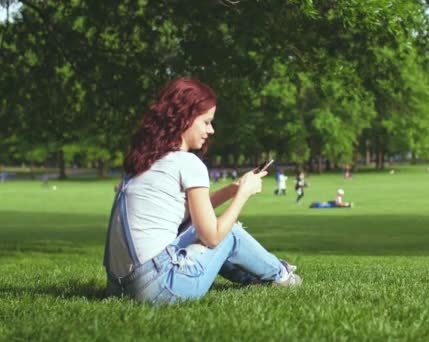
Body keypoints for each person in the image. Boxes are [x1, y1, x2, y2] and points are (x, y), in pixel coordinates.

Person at [103, 78, 302, 305]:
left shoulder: (145, 162)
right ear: (185, 118)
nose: (211, 130)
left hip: (119, 286)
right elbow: (213, 236)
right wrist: (242, 195)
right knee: (230, 234)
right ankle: (282, 275)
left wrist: (232, 189)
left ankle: (256, 278)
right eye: (206, 122)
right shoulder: (187, 162)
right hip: (160, 286)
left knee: (196, 228)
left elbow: (190, 211)